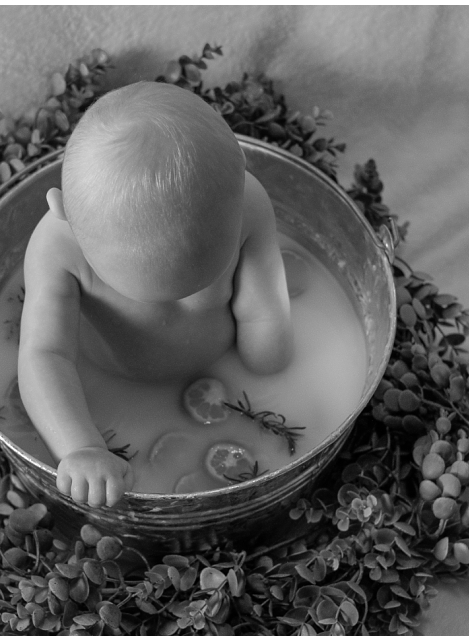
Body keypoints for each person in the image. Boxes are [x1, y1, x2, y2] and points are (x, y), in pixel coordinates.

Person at [17, 81, 293, 508]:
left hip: (222, 375)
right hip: (112, 382)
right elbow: (44, 354)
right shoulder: (57, 246)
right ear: (66, 215)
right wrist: (81, 448)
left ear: (239, 171)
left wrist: (269, 364)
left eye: (202, 278)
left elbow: (262, 309)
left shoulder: (248, 203)